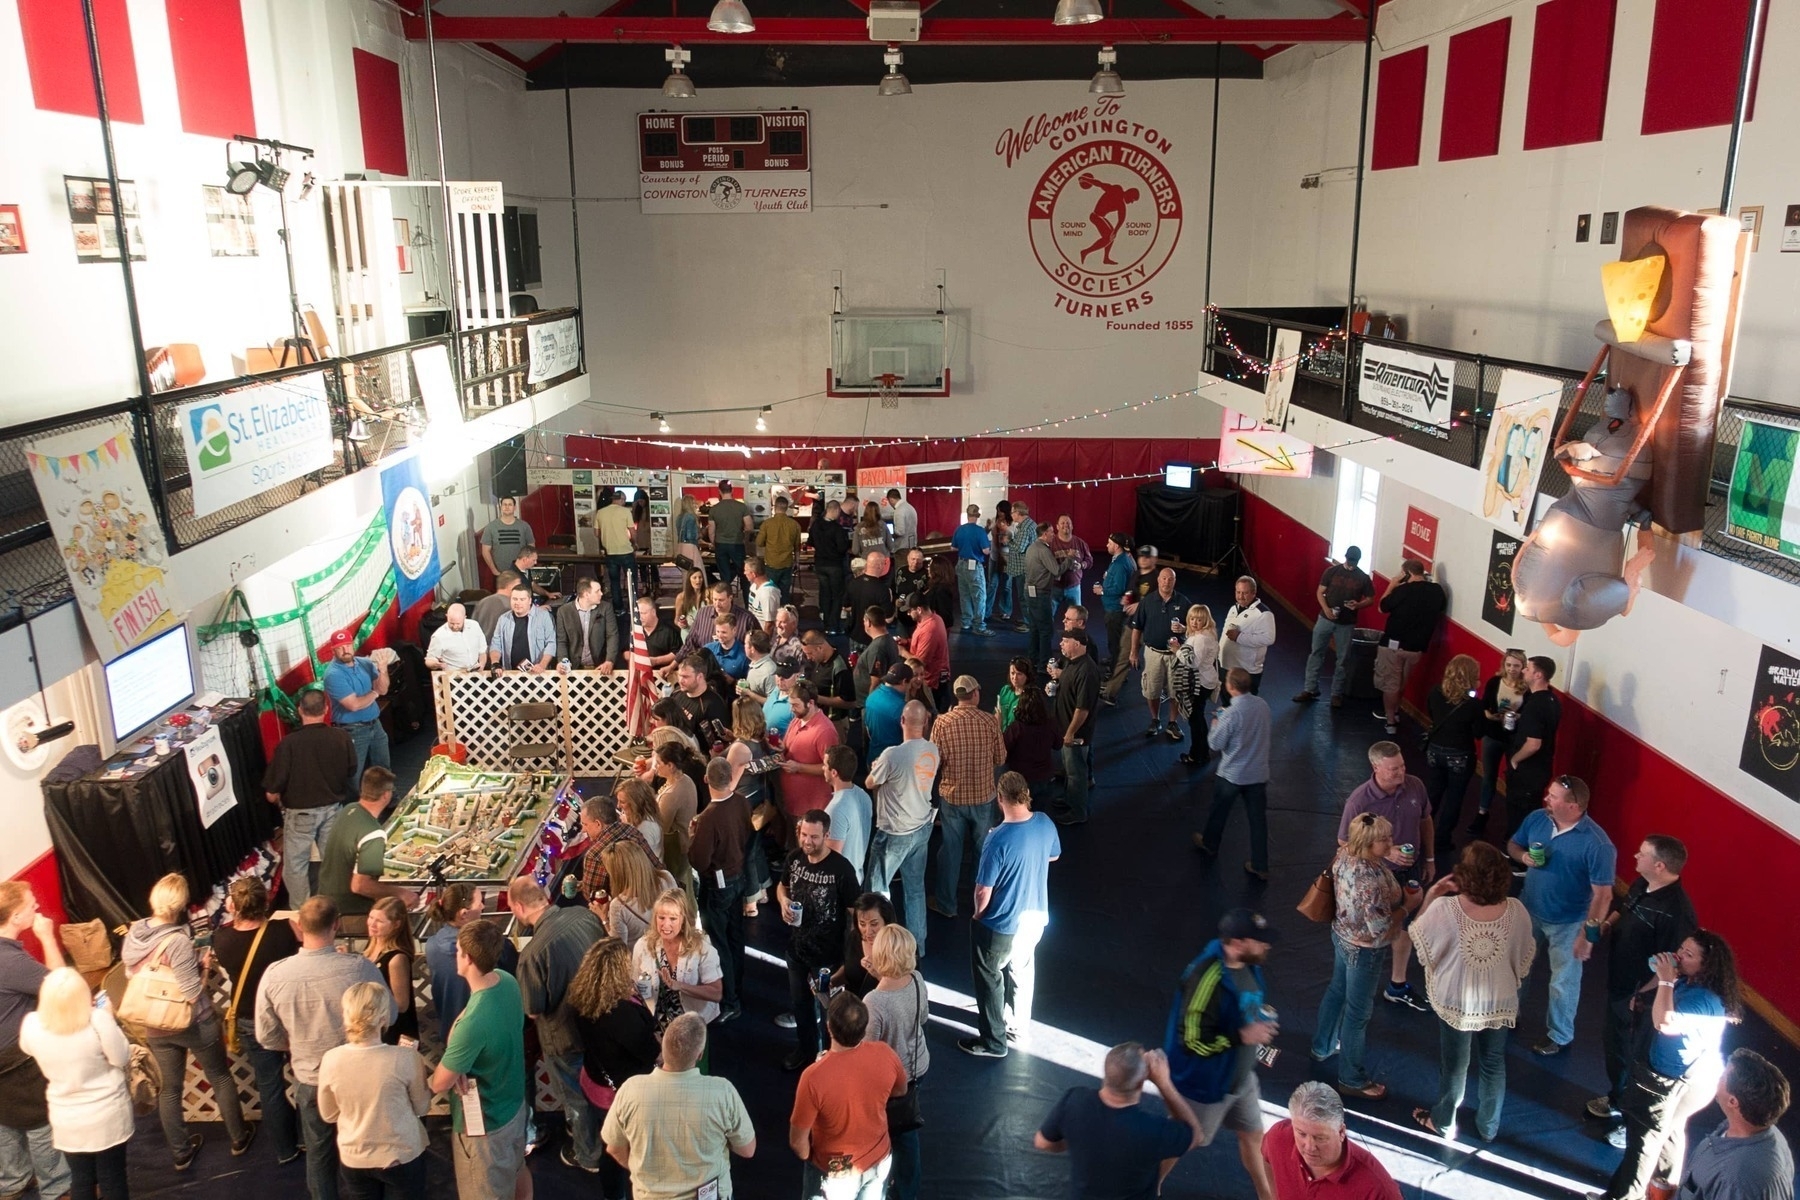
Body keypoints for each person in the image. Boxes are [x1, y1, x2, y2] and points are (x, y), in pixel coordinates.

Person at [257, 896, 387, 1200]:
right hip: (360, 1077)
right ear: (336, 925)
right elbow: (388, 1015)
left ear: (299, 927)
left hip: (310, 1077)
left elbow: (267, 1036)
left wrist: (296, 1046)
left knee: (318, 1153)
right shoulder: (359, 968)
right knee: (366, 1149)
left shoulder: (276, 974)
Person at [122, 873, 253, 1169]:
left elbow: (135, 974)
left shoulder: (135, 934)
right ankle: (238, 1138)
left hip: (155, 1024)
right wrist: (203, 967)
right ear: (180, 904)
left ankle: (181, 1152)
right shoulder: (177, 941)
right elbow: (192, 994)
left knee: (170, 1089)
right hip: (192, 1023)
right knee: (220, 1077)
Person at [1598, 932, 1742, 1200]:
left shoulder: (1701, 1000)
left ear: (1707, 965)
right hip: (1696, 1078)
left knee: (1644, 1142)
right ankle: (1661, 1193)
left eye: (1689, 955)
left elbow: (1664, 1022)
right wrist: (1663, 979)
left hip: (1672, 1081)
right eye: (1680, 948)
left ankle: (1624, 1197)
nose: (1678, 956)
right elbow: (1653, 1001)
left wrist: (1666, 978)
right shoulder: (1690, 982)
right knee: (1671, 1131)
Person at [1409, 842, 1535, 1142]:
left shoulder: (1445, 909)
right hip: (1500, 999)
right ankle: (1489, 1126)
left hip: (1457, 1002)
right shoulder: (1516, 911)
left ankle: (1443, 1122)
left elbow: (1418, 934)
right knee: (1493, 1062)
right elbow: (1524, 956)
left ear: (1463, 875)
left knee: (1454, 1064)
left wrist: (1431, 895)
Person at [1165, 908, 1280, 1200]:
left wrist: (1256, 1030)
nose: (1266, 945)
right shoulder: (1207, 977)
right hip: (1206, 1085)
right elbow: (1191, 1040)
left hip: (1240, 1077)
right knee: (1183, 1140)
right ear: (1239, 943)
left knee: (1254, 1136)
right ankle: (1145, 1188)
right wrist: (1243, 1036)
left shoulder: (1248, 965)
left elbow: (1244, 1006)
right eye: (1259, 940)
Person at [1589, 836, 1699, 1124]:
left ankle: (1631, 1119)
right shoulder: (1642, 884)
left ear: (1659, 865)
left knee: (1635, 1055)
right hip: (1620, 983)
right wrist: (1607, 925)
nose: (1636, 855)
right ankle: (1617, 1098)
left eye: (1643, 853)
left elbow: (1673, 964)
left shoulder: (1677, 913)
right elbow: (1624, 906)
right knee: (1614, 1046)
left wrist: (1641, 997)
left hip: (1641, 998)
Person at [1509, 774, 1615, 1055]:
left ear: (1574, 805)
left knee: (1563, 983)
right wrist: (1523, 858)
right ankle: (1510, 1015)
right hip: (1529, 909)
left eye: (1553, 796)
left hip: (1569, 923)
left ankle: (1559, 1035)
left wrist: (1587, 935)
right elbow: (1513, 845)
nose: (1546, 798)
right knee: (1518, 967)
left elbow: (1604, 895)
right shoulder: (1537, 819)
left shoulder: (1598, 845)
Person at [509, 875, 608, 1175]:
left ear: (518, 907)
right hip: (600, 1023)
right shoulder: (584, 916)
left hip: (563, 1037)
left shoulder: (532, 953)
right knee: (601, 1087)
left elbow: (533, 1010)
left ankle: (588, 1154)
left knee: (575, 1097)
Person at [1312, 814, 1413, 1100]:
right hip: (1364, 949)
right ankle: (1352, 1078)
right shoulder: (1370, 879)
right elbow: (1380, 929)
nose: (1391, 843)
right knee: (1357, 1014)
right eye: (1385, 839)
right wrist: (1408, 906)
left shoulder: (1344, 855)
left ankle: (1322, 1046)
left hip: (1341, 934)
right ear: (1368, 843)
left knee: (1336, 990)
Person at [602, 1012, 757, 1198]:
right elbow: (747, 1149)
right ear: (699, 1055)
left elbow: (614, 1148)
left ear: (662, 1046)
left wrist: (643, 1171)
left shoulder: (630, 1089)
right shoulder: (722, 1091)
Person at [962, 772, 1061, 1058]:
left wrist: (979, 916)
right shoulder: (1044, 822)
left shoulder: (997, 839)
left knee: (990, 976)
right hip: (1035, 918)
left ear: (999, 798)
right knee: (1022, 970)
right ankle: (1018, 1027)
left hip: (1001, 924)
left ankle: (993, 1041)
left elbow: (983, 891)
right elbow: (1053, 855)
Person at [430, 919, 530, 1200]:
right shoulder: (505, 980)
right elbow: (467, 1018)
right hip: (514, 1104)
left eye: (458, 949)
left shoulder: (473, 1026)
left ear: (468, 958)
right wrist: (460, 1055)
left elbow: (439, 1082)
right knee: (518, 1169)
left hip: (485, 1126)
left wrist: (455, 1062)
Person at [1335, 742, 1435, 1008]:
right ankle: (1360, 988)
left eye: (1402, 766)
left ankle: (1397, 984)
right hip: (1379, 877)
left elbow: (1425, 820)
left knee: (1405, 929)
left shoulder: (1415, 786)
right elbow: (1344, 841)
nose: (1400, 772)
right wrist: (1386, 853)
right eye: (1393, 769)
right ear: (1375, 768)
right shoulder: (1359, 801)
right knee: (1386, 928)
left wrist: (1429, 857)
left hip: (1409, 869)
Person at [1035, 1042, 1202, 1200]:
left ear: (1106, 1073)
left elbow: (1042, 1143)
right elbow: (1195, 1136)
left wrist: (1075, 1140)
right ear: (1140, 1084)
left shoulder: (1074, 1099)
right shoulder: (1154, 1131)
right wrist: (1164, 1084)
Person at [19, 968, 131, 1200]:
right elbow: (120, 1057)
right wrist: (110, 1018)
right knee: (112, 1178)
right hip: (107, 1115)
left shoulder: (31, 1024)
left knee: (80, 1179)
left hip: (67, 1119)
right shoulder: (97, 1020)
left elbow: (27, 1048)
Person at [213, 876, 301, 1165]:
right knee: (305, 1076)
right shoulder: (283, 931)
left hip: (251, 1019)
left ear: (232, 905)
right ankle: (308, 1135)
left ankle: (285, 1149)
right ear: (266, 902)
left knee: (269, 1085)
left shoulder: (221, 939)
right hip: (288, 1015)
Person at [316, 982, 432, 1200]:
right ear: (383, 1018)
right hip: (401, 1155)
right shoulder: (406, 1058)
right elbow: (422, 1106)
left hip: (354, 1157)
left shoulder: (331, 1059)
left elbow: (328, 1114)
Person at [790, 992, 908, 1200]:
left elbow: (798, 1143)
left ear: (828, 1026)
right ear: (864, 1028)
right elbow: (901, 1090)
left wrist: (815, 1163)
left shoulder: (813, 1077)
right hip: (879, 1159)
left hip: (835, 1172)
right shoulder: (885, 1053)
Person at [568, 936, 661, 1200]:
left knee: (609, 1144)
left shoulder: (581, 999)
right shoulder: (623, 1015)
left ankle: (613, 1195)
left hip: (594, 1082)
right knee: (625, 1148)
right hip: (624, 1095)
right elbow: (652, 1053)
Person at [0, 882, 69, 1200]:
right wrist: (46, 937)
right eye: (31, 906)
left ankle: (12, 1182)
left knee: (4, 1122)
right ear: (15, 916)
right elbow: (61, 988)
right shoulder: (9, 961)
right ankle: (57, 1186)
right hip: (17, 1057)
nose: (37, 909)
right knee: (40, 1121)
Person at [778, 811, 863, 1070]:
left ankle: (832, 1059)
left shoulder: (841, 869)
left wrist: (851, 955)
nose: (807, 841)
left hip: (828, 958)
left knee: (831, 1011)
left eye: (814, 837)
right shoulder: (794, 859)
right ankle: (805, 1051)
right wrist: (783, 900)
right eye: (804, 835)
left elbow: (855, 912)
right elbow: (782, 886)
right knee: (801, 1005)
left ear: (827, 836)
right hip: (797, 951)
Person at [262, 688, 355, 909]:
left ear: (299, 709)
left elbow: (271, 791)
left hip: (300, 814)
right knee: (333, 863)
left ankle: (303, 914)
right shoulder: (341, 737)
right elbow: (351, 770)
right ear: (325, 709)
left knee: (296, 866)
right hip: (334, 809)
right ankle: (336, 908)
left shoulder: (288, 745)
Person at [865, 701, 940, 953]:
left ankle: (879, 947)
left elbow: (870, 782)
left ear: (902, 722)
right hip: (921, 827)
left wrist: (877, 766)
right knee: (915, 889)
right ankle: (918, 947)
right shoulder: (932, 750)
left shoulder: (892, 754)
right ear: (926, 722)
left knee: (878, 892)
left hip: (894, 832)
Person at [932, 674, 1008, 914]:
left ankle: (946, 904)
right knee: (983, 851)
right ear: (975, 693)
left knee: (951, 850)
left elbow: (934, 761)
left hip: (952, 798)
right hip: (983, 796)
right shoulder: (989, 721)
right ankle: (981, 904)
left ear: (957, 695)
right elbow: (1000, 758)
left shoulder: (942, 723)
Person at [865, 924, 929, 1200]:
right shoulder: (916, 979)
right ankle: (907, 1190)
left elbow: (866, 1050)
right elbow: (923, 1017)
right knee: (907, 1129)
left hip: (890, 1080)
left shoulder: (874, 1001)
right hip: (919, 1066)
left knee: (893, 1136)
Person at [1679, 1049, 1793, 1200]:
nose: (1717, 1077)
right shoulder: (1768, 1132)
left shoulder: (1737, 1180)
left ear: (1733, 1102)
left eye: (1723, 1076)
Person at [1194, 669, 1274, 879]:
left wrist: (1215, 725)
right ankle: (1260, 864)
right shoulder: (1262, 705)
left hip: (1233, 775)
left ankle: (1210, 844)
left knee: (1219, 812)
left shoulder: (1230, 715)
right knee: (1258, 821)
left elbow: (1215, 744)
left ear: (1230, 687)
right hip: (1258, 773)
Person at [318, 767, 417, 936]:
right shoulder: (373, 833)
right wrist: (400, 893)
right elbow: (360, 886)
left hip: (327, 905)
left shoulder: (349, 810)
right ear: (386, 795)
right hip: (351, 913)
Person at [689, 757, 752, 1021]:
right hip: (739, 878)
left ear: (706, 780)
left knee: (719, 944)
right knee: (736, 937)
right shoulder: (741, 801)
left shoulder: (709, 817)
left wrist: (693, 836)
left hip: (717, 886)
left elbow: (697, 860)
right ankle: (737, 987)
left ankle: (729, 1002)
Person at [1262, 1082, 1401, 1200]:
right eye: (1301, 1134)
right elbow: (1267, 1158)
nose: (1309, 1147)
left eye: (1320, 1138)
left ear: (1341, 1132)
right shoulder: (1279, 1136)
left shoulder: (1378, 1189)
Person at [424, 884, 518, 1036]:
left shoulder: (431, 945)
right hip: (488, 1030)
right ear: (463, 914)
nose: (483, 906)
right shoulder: (494, 946)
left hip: (451, 1029)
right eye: (479, 902)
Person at [631, 888, 725, 1039]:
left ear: (683, 920)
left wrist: (679, 985)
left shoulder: (702, 947)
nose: (665, 925)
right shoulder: (643, 946)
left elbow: (716, 993)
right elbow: (635, 983)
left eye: (673, 919)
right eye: (661, 917)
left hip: (692, 1026)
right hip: (656, 1024)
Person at [1372, 559, 1447, 735]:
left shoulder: (1402, 590)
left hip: (1393, 645)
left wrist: (1391, 585)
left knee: (1391, 684)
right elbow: (1440, 608)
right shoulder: (1437, 591)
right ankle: (1396, 710)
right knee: (1403, 681)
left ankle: (1390, 721)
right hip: (1417, 648)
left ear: (1407, 573)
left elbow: (1382, 607)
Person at [1295, 546, 1375, 708]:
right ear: (1346, 557)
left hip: (1346, 623)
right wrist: (1326, 609)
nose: (1351, 564)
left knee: (1342, 659)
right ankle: (1310, 688)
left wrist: (1358, 605)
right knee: (1316, 652)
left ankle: (1336, 694)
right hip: (1325, 618)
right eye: (1350, 560)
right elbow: (1320, 592)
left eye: (1354, 561)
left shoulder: (1363, 578)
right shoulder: (1331, 572)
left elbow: (1371, 599)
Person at [1423, 655, 1485, 863]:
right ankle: (1441, 839)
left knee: (1433, 793)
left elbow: (1431, 714)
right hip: (1459, 754)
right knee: (1454, 798)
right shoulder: (1473, 704)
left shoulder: (1434, 692)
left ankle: (1423, 833)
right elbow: (1478, 732)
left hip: (1435, 749)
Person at [1467, 648, 1530, 838]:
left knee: (1513, 779)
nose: (1512, 669)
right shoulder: (1495, 682)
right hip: (1493, 734)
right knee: (1488, 776)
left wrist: (1517, 716)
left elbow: (1528, 715)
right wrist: (1491, 716)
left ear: (1523, 667)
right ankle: (1482, 813)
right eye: (1509, 665)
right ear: (1504, 664)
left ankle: (1512, 822)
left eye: (1516, 666)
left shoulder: (1527, 689)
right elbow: (1485, 706)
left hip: (1514, 739)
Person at [320, 627, 391, 789]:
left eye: (347, 645)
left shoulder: (365, 663)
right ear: (333, 650)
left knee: (383, 767)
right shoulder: (333, 675)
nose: (345, 650)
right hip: (352, 730)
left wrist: (383, 670)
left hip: (375, 723)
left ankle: (390, 801)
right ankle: (354, 809)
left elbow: (384, 689)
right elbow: (353, 705)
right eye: (340, 647)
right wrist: (375, 693)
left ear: (352, 645)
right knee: (354, 775)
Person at [1504, 655, 1562, 840]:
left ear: (1538, 675)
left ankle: (1516, 859)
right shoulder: (1552, 700)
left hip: (1527, 773)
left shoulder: (1535, 705)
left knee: (1519, 816)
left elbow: (1533, 744)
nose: (1523, 671)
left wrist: (1514, 759)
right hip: (1541, 770)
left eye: (1527, 669)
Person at [1047, 628, 1101, 827]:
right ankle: (1070, 799)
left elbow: (1083, 709)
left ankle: (1078, 812)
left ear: (1076, 644)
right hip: (1065, 728)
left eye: (1065, 640)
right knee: (1069, 770)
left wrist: (1070, 733)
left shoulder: (1087, 671)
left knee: (1076, 773)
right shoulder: (1072, 663)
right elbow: (1067, 684)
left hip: (1076, 733)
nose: (1061, 644)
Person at [1131, 568, 1192, 743]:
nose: (1167, 582)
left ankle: (1172, 723)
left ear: (1175, 581)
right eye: (1164, 578)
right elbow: (1137, 628)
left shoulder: (1184, 602)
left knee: (1176, 690)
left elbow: (1196, 628)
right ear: (1158, 580)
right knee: (1152, 689)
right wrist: (1134, 652)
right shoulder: (1147, 601)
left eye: (1170, 579)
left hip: (1176, 655)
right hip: (1153, 653)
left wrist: (1184, 629)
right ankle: (1155, 719)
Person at [779, 680, 840, 822]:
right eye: (790, 705)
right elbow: (790, 746)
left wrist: (798, 767)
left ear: (810, 703)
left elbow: (831, 768)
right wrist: (781, 747)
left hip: (812, 807)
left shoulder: (825, 731)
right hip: (793, 801)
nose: (791, 709)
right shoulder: (797, 720)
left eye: (795, 705)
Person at [362, 897, 419, 1047]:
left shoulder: (397, 958)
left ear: (396, 925)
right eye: (371, 917)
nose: (372, 924)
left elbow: (401, 1005)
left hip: (395, 1031)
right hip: (376, 1028)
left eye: (379, 921)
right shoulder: (370, 949)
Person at [1177, 604, 1222, 767]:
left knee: (1195, 719)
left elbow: (1193, 662)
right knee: (1198, 717)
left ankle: (1197, 755)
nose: (1195, 622)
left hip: (1200, 683)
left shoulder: (1201, 638)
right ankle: (1202, 752)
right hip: (1206, 680)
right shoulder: (1207, 633)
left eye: (1199, 619)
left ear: (1206, 620)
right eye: (1192, 618)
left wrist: (1177, 650)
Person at [1219, 576, 1277, 699]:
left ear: (1253, 593)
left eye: (1245, 593)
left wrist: (1239, 637)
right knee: (1226, 703)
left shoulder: (1263, 613)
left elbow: (1269, 638)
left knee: (1245, 707)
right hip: (1225, 665)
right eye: (1238, 592)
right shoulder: (1233, 608)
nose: (1240, 596)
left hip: (1246, 670)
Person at [824, 745, 874, 879]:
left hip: (841, 881)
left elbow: (833, 855)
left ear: (834, 772)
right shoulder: (863, 795)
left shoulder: (836, 808)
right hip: (857, 873)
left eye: (824, 765)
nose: (823, 768)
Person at [836, 894, 896, 999]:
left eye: (874, 924)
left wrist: (878, 975)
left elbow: (907, 990)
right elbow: (850, 967)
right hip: (854, 1009)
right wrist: (832, 981)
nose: (868, 932)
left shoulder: (901, 947)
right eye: (862, 924)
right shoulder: (855, 938)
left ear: (886, 922)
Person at [555, 577, 621, 671]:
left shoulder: (606, 608)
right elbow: (562, 641)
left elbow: (612, 635)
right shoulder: (564, 611)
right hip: (574, 669)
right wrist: (562, 662)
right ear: (586, 595)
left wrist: (609, 660)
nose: (601, 593)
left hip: (600, 668)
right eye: (597, 591)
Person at [487, 582, 556, 671]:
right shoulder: (503, 619)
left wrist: (542, 665)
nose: (517, 603)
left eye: (522, 599)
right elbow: (496, 644)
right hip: (510, 675)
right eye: (515, 599)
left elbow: (551, 643)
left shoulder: (544, 617)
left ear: (530, 600)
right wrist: (495, 663)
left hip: (538, 674)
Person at [1004, 685, 1059, 792]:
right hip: (1044, 776)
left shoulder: (1016, 728)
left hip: (1020, 778)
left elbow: (1003, 749)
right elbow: (1058, 745)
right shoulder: (1050, 724)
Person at [1093, 533, 1135, 674]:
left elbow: (1119, 588)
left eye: (1109, 543)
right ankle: (1114, 661)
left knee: (1115, 642)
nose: (1107, 545)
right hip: (1113, 608)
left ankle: (1115, 671)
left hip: (1114, 609)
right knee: (1114, 640)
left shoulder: (1120, 564)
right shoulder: (1120, 560)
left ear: (1116, 546)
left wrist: (1102, 591)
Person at [949, 504, 993, 635]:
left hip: (961, 564)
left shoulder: (959, 529)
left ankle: (966, 622)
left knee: (965, 595)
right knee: (979, 596)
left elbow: (953, 548)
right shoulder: (979, 531)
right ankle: (979, 626)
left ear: (967, 515)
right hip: (974, 566)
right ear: (977, 516)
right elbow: (986, 551)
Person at [811, 499, 852, 635]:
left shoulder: (816, 525)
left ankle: (825, 621)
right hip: (834, 565)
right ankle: (833, 625)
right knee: (836, 595)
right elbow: (842, 548)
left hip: (820, 564)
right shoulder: (837, 528)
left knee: (824, 593)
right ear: (834, 510)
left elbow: (810, 541)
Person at [1022, 522, 1061, 664]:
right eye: (1051, 532)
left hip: (1029, 591)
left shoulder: (1031, 548)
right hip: (1040, 593)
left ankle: (1033, 658)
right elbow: (1056, 570)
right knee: (1045, 629)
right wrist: (1068, 560)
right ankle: (1044, 663)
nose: (1053, 534)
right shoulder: (1044, 550)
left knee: (1034, 627)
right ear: (1044, 534)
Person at [596, 488, 637, 612]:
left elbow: (596, 533)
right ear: (622, 499)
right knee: (631, 581)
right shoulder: (625, 512)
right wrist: (634, 544)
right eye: (624, 500)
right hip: (626, 551)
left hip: (610, 553)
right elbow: (632, 531)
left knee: (614, 582)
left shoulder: (600, 512)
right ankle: (632, 607)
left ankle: (618, 609)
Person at [708, 481, 753, 590]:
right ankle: (747, 603)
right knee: (743, 574)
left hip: (720, 544)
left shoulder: (714, 509)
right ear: (732, 490)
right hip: (737, 544)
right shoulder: (741, 507)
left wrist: (714, 543)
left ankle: (726, 602)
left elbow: (711, 531)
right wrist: (745, 540)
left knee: (725, 577)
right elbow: (749, 527)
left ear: (719, 491)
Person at [1046, 515, 1094, 614]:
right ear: (1057, 526)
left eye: (1068, 523)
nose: (1065, 525)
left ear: (1072, 526)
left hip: (1074, 587)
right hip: (1054, 587)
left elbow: (1089, 561)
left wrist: (1081, 565)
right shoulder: (1051, 543)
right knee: (1048, 616)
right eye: (1062, 523)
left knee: (1076, 616)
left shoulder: (1080, 543)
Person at [757, 495, 803, 596]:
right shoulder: (795, 525)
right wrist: (797, 562)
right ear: (786, 508)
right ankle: (783, 610)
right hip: (787, 563)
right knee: (784, 593)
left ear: (774, 507)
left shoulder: (767, 524)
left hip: (771, 563)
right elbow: (797, 547)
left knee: (770, 592)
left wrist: (769, 543)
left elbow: (759, 543)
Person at [479, 496, 535, 577]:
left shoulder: (524, 526)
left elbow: (531, 547)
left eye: (510, 504)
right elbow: (485, 551)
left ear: (514, 507)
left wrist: (527, 566)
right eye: (504, 504)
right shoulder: (491, 527)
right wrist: (494, 570)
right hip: (501, 574)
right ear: (500, 507)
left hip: (521, 572)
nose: (507, 507)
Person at [425, 602, 490, 671]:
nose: (455, 626)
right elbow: (429, 660)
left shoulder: (474, 626)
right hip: (453, 676)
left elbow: (482, 650)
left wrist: (482, 665)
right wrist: (436, 664)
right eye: (451, 623)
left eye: (458, 623)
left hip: (476, 673)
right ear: (447, 616)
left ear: (465, 617)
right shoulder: (439, 636)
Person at [986, 501, 1015, 626]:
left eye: (1001, 511)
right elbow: (986, 535)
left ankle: (1006, 611)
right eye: (997, 511)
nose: (999, 514)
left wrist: (1006, 534)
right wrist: (988, 528)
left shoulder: (1013, 524)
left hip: (1007, 558)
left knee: (1007, 586)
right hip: (994, 557)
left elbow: (1015, 540)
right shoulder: (994, 521)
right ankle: (986, 611)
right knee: (992, 584)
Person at [472, 571, 521, 643]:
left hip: (481, 649)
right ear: (509, 586)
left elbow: (472, 628)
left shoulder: (482, 603)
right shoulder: (510, 606)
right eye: (518, 585)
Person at [638, 596, 683, 674]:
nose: (640, 617)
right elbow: (626, 651)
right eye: (638, 613)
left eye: (643, 613)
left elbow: (677, 653)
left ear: (653, 612)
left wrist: (656, 661)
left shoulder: (669, 631)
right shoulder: (635, 630)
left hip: (663, 675)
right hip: (640, 674)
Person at [704, 616, 750, 682]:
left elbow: (749, 684)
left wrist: (733, 681)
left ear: (734, 630)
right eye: (718, 631)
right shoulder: (708, 649)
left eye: (724, 632)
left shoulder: (745, 655)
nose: (719, 635)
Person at [744, 556, 781, 636]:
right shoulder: (754, 586)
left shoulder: (768, 593)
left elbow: (769, 624)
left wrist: (763, 644)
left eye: (746, 570)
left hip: (763, 638)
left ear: (753, 574)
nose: (744, 573)